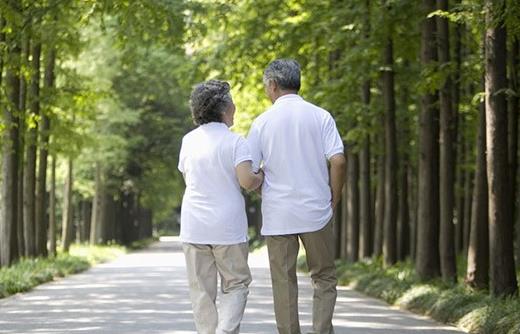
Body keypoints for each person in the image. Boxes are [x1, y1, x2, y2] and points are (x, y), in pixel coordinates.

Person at [247, 59, 346, 334]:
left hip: (279, 215)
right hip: (317, 211)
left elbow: (249, 172)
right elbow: (338, 161)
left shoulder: (262, 123)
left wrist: (261, 190)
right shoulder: (321, 116)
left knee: (283, 282)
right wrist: (333, 198)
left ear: (274, 85)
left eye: (266, 86)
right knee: (324, 278)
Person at [178, 79, 264, 334]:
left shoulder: (188, 141)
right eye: (232, 102)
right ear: (224, 108)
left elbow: (189, 177)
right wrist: (261, 176)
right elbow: (247, 181)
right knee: (236, 284)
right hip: (227, 227)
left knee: (201, 291)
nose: (235, 107)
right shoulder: (235, 141)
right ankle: (226, 331)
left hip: (194, 226)